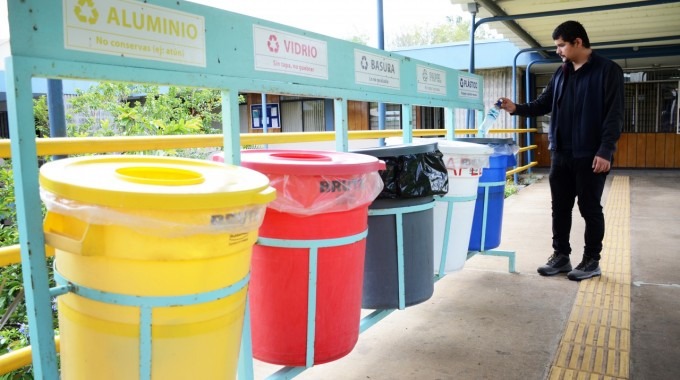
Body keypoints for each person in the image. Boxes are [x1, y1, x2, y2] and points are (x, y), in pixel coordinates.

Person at [497, 20, 624, 281]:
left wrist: (606, 150)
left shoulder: (607, 71)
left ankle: (591, 260)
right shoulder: (561, 72)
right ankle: (561, 255)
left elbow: (615, 114)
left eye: (561, 45)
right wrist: (516, 108)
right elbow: (543, 103)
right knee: (560, 208)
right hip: (561, 153)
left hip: (591, 154)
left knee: (590, 209)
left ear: (578, 42)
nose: (558, 51)